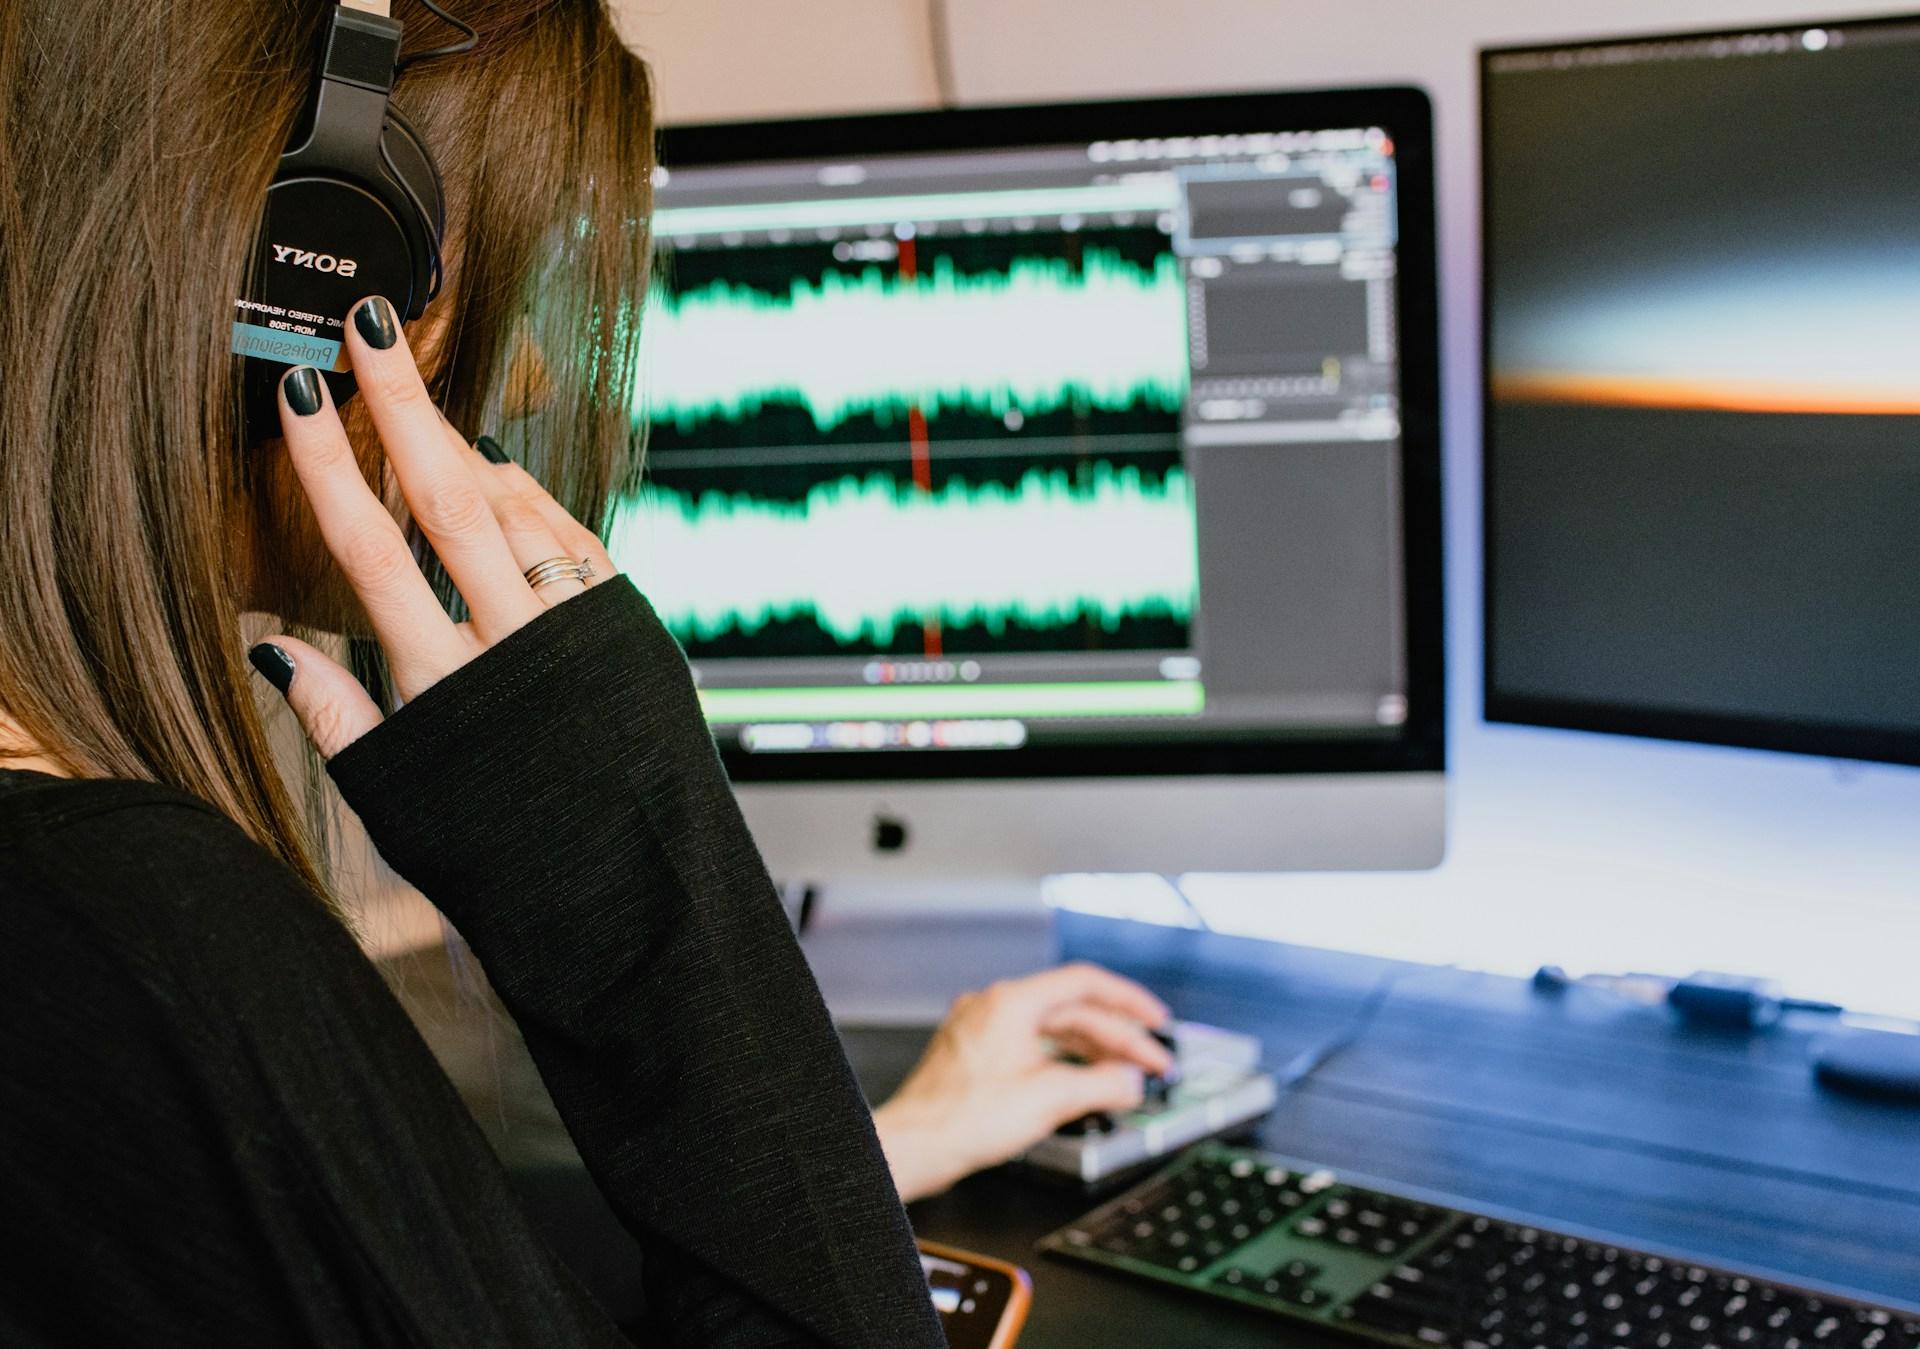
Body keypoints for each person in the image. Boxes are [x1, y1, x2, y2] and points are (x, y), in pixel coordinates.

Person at [0, 2, 1167, 1344]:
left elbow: (395, 1271)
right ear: (303, 276)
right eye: (484, 280)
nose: (543, 374)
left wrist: (851, 1154)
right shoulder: (142, 939)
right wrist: (638, 860)